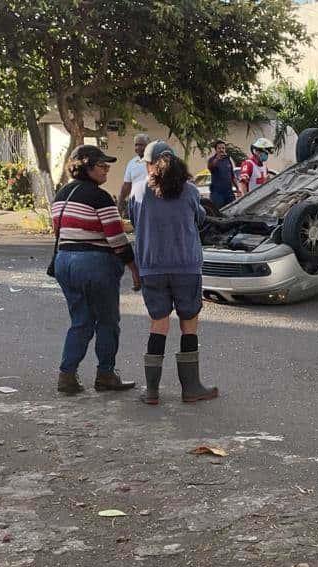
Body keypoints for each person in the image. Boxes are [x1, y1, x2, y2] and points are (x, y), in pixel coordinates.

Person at [50, 145, 138, 395]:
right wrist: (134, 269)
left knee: (81, 321)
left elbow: (59, 232)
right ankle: (106, 375)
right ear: (86, 166)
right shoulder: (100, 197)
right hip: (94, 264)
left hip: (64, 262)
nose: (107, 170)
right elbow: (117, 239)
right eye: (102, 166)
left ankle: (66, 376)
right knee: (108, 321)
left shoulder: (61, 196)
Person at [134, 147, 217, 404]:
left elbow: (134, 219)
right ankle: (191, 388)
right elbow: (200, 218)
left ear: (150, 164)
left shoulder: (138, 189)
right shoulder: (190, 190)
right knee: (188, 322)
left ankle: (152, 391)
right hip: (185, 266)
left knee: (159, 323)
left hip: (152, 266)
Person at [117, 132, 149, 217]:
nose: (138, 147)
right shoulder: (132, 163)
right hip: (135, 205)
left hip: (152, 205)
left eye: (141, 145)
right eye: (136, 145)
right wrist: (120, 202)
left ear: (148, 145)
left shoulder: (156, 162)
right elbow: (127, 185)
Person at [206, 140, 237, 208]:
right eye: (219, 148)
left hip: (229, 192)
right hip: (217, 193)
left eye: (223, 148)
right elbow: (210, 167)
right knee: (218, 212)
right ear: (216, 150)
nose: (221, 150)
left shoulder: (228, 159)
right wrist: (217, 158)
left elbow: (232, 176)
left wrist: (238, 188)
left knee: (233, 209)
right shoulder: (212, 160)